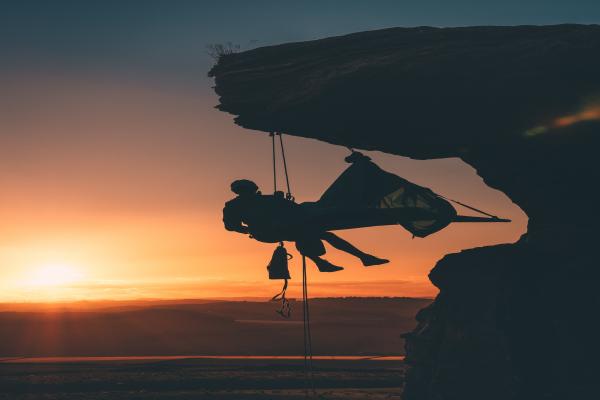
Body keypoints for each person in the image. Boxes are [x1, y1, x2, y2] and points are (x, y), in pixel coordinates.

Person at [223, 179, 389, 272]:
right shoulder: (264, 200)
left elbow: (231, 226)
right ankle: (361, 258)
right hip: (271, 231)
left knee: (309, 234)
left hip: (266, 233)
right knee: (321, 234)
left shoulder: (234, 205)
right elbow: (292, 209)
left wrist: (250, 229)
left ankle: (322, 263)